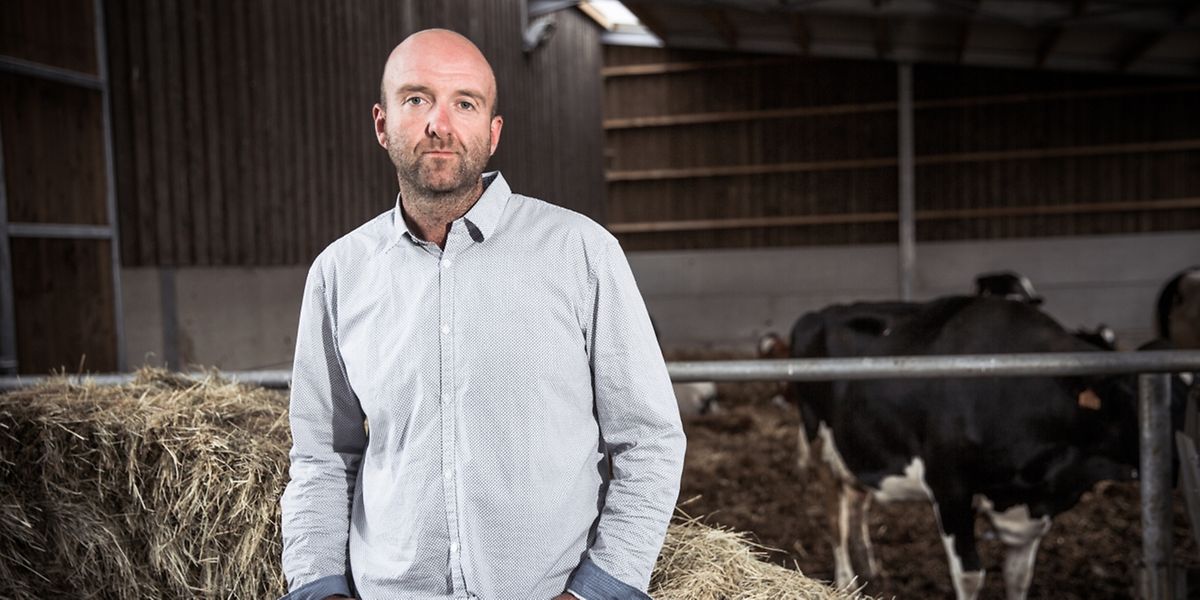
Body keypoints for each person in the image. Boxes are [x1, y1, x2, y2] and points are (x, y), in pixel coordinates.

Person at [280, 28, 686, 600]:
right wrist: (318, 586)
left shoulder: (580, 253)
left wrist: (600, 588)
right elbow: (322, 455)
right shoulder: (339, 273)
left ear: (493, 133)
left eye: (464, 103)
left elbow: (650, 440)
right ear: (382, 123)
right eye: (416, 99)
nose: (439, 124)